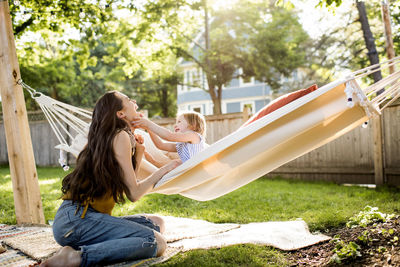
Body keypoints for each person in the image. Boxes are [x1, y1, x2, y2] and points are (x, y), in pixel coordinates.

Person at [40, 91, 180, 267]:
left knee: (157, 223)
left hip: (76, 220)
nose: (135, 102)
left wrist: (139, 154)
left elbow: (129, 185)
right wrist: (165, 169)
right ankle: (75, 258)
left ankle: (77, 247)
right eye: (129, 100)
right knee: (156, 242)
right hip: (76, 222)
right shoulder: (120, 135)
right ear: (120, 114)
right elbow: (134, 194)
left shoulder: (117, 136)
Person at [132, 111, 209, 166]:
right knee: (174, 163)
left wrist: (148, 124)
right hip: (187, 171)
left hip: (196, 171)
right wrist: (148, 129)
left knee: (176, 163)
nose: (175, 125)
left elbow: (169, 136)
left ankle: (156, 164)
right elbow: (161, 145)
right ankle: (155, 163)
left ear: (193, 125)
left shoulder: (194, 136)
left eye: (179, 122)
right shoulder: (182, 145)